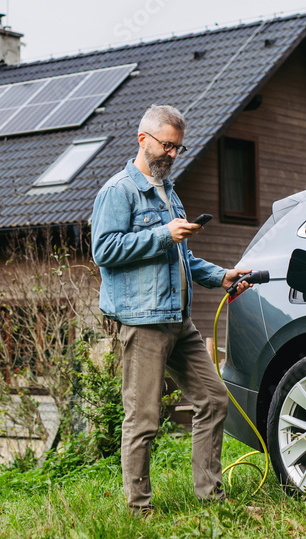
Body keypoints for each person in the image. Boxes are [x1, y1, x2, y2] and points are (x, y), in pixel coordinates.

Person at [91, 104, 251, 515]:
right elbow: (104, 251)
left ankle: (210, 496)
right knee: (143, 418)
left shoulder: (170, 192)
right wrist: (163, 235)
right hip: (143, 323)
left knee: (214, 400)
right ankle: (139, 509)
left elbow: (185, 257)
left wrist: (222, 276)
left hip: (180, 321)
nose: (173, 154)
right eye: (167, 146)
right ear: (143, 139)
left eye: (178, 148)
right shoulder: (118, 192)